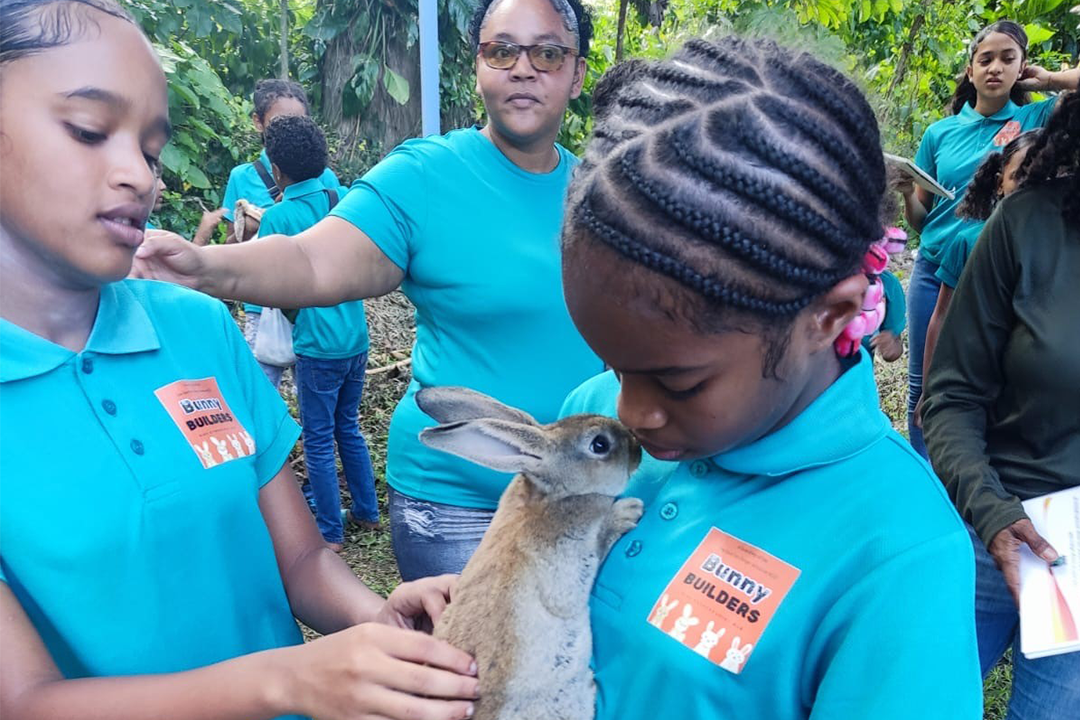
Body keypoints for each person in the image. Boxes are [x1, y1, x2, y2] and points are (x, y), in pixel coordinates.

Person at [0, 3, 479, 719]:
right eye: (90, 131)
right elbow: (26, 700)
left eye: (153, 149)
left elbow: (302, 559)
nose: (139, 174)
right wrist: (287, 680)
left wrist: (380, 624)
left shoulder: (199, 331)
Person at [558, 39, 981, 718]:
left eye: (679, 383)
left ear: (831, 315)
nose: (629, 412)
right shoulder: (593, 421)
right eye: (615, 365)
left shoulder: (900, 554)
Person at [132, 0, 605, 581]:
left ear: (578, 72)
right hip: (458, 503)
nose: (523, 68)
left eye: (548, 53)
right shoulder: (427, 176)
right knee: (467, 671)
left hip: (586, 496)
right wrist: (201, 265)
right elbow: (309, 260)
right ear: (478, 63)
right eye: (502, 50)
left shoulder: (604, 193)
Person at [923, 91, 1080, 719]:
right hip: (998, 522)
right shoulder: (1025, 225)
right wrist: (989, 511)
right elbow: (952, 394)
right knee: (925, 701)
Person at [896, 20, 1077, 458]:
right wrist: (905, 192)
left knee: (990, 382)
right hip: (937, 269)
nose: (995, 67)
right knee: (924, 385)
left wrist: (1049, 79)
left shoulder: (1034, 119)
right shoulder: (939, 133)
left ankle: (974, 476)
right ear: (970, 70)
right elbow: (925, 220)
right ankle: (926, 483)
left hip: (1006, 272)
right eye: (986, 58)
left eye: (1007, 58)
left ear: (1022, 68)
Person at [259, 114, 380, 552]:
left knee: (317, 437)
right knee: (347, 426)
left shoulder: (277, 218)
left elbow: (270, 287)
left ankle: (330, 530)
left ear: (276, 169)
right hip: (356, 341)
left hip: (317, 346)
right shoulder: (343, 201)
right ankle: (367, 511)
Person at [204, 78, 342, 389]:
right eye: (281, 121)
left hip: (313, 306)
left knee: (313, 392)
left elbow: (337, 237)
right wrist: (247, 229)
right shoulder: (242, 176)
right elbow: (230, 243)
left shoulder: (325, 176)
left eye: (300, 121)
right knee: (262, 389)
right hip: (263, 304)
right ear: (258, 122)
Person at [914, 129, 1040, 427]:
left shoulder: (1065, 248)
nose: (1033, 186)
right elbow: (941, 316)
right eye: (1021, 175)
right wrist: (929, 388)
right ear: (1000, 184)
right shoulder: (968, 242)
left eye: (1045, 175)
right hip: (976, 383)